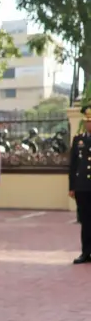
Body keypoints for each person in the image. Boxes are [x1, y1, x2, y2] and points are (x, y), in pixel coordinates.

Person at [70, 103, 91, 264]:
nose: (89, 124)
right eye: (87, 121)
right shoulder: (78, 140)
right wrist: (72, 187)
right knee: (85, 221)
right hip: (82, 187)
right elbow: (73, 165)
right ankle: (86, 252)